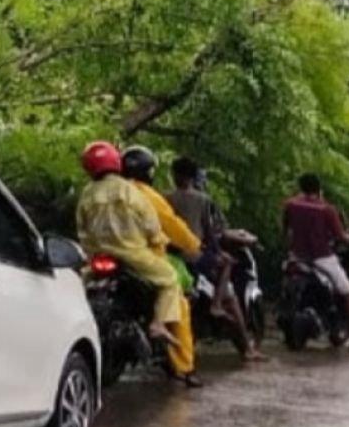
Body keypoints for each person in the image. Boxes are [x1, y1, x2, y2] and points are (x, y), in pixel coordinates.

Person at [74, 142, 183, 353]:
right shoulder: (129, 191)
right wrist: (158, 241)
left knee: (78, 286)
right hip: (133, 255)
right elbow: (150, 224)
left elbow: (82, 229)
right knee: (169, 279)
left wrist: (90, 252)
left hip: (98, 256)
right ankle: (158, 324)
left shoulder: (86, 194)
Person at [166, 156, 267, 362]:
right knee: (229, 273)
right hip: (195, 256)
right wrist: (218, 252)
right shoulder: (203, 200)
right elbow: (210, 232)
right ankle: (218, 307)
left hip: (170, 255)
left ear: (174, 175)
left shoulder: (164, 197)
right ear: (194, 178)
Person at [121, 146, 205, 387]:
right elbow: (172, 225)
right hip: (143, 258)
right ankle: (184, 366)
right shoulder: (147, 195)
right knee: (178, 300)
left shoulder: (104, 190)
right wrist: (192, 244)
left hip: (103, 255)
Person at [283, 173, 349, 354]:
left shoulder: (290, 205)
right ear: (319, 189)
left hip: (297, 257)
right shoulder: (327, 210)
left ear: (301, 187)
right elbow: (341, 236)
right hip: (322, 258)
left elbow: (286, 229)